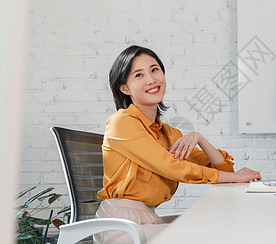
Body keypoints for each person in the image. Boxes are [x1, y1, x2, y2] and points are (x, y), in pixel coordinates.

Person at [95, 45, 261, 243]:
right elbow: (171, 167)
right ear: (124, 88)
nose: (151, 79)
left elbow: (224, 168)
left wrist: (199, 138)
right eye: (139, 75)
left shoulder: (167, 133)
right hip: (121, 225)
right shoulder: (122, 122)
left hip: (147, 219)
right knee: (210, 235)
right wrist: (233, 177)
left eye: (154, 69)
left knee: (219, 225)